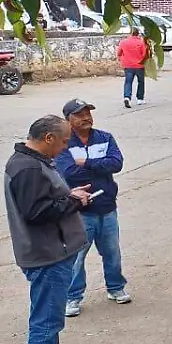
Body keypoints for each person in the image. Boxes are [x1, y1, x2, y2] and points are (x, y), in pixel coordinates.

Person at [4, 116, 92, 344]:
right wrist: (74, 202)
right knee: (46, 320)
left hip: (51, 251)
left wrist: (69, 195)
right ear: (49, 138)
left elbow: (45, 200)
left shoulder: (32, 162)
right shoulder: (28, 168)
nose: (66, 147)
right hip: (46, 254)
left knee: (48, 317)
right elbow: (37, 211)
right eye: (65, 141)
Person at [55, 99, 131, 318]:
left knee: (112, 252)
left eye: (88, 113)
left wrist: (86, 164)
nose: (86, 117)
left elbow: (117, 163)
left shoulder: (105, 138)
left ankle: (115, 287)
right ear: (68, 120)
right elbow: (68, 172)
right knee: (76, 257)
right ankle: (72, 297)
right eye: (80, 114)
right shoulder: (64, 143)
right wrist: (100, 166)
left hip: (107, 206)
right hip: (79, 211)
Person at [116, 28, 148, 108]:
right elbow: (144, 54)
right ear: (138, 34)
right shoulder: (141, 43)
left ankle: (127, 97)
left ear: (130, 34)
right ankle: (140, 99)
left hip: (128, 65)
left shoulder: (123, 42)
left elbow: (119, 53)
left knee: (128, 82)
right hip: (139, 65)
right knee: (141, 82)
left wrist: (123, 58)